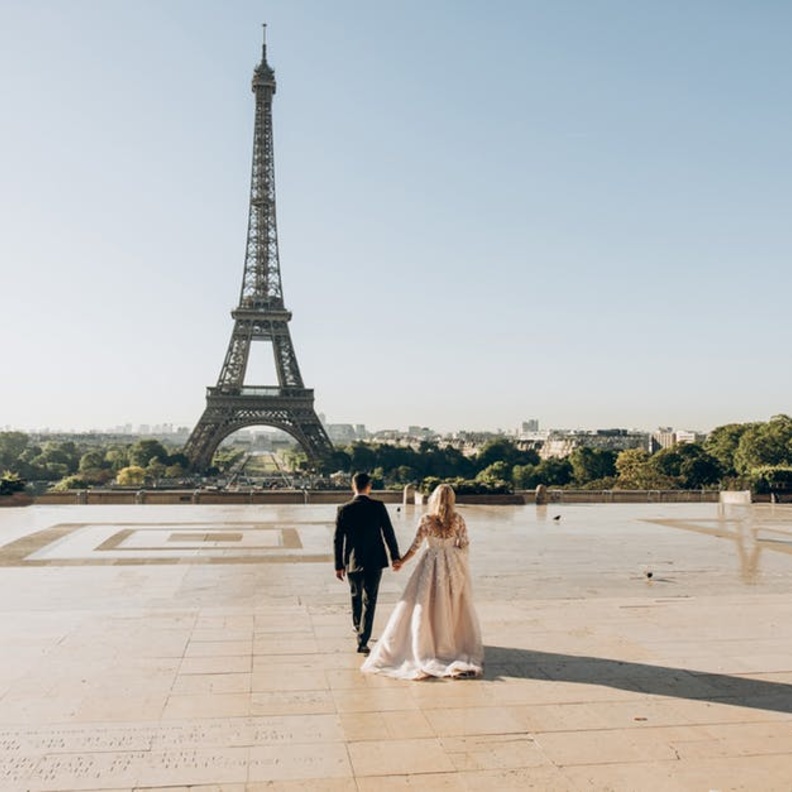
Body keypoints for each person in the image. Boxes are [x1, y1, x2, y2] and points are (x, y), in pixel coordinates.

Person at [361, 483, 483, 679]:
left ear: (434, 499)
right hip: (452, 566)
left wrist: (400, 561)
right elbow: (465, 544)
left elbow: (416, 546)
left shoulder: (426, 520)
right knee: (451, 604)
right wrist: (452, 553)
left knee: (425, 604)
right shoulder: (458, 519)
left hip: (430, 564)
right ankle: (448, 643)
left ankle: (427, 644)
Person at [334, 472, 401, 654]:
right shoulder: (378, 507)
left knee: (356, 595)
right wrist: (395, 556)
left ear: (352, 486)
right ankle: (363, 640)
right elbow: (389, 533)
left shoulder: (344, 509)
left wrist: (338, 565)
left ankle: (358, 627)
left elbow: (338, 540)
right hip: (375, 560)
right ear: (369, 486)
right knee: (370, 600)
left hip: (353, 561)